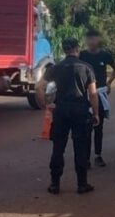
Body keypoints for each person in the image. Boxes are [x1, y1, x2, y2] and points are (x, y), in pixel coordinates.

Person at [42, 38, 99, 194]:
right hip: (80, 111)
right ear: (77, 49)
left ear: (64, 49)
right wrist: (96, 113)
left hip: (61, 110)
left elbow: (40, 86)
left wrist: (48, 104)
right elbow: (93, 94)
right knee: (80, 147)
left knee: (58, 147)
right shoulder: (87, 68)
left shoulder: (56, 68)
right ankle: (82, 184)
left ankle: (54, 184)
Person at [79, 29, 115, 167]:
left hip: (100, 93)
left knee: (99, 126)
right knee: (86, 128)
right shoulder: (82, 55)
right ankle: (85, 158)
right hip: (86, 95)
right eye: (89, 38)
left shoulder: (105, 55)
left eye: (94, 38)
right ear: (86, 40)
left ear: (98, 39)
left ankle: (98, 155)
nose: (92, 41)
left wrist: (109, 82)